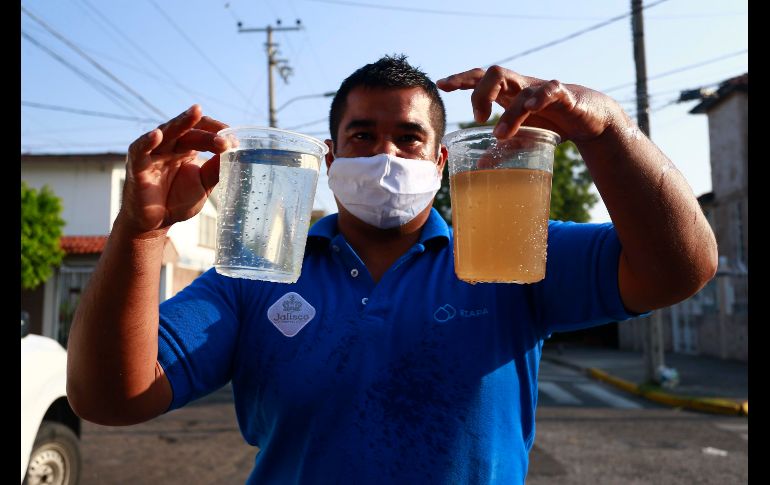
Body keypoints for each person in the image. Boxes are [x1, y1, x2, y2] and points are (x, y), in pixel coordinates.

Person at [67, 55, 717, 484]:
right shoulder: (258, 271)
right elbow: (109, 398)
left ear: (441, 163)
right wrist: (140, 230)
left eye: (408, 138)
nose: (385, 153)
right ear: (328, 157)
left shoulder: (511, 253)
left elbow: (681, 268)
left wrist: (607, 131)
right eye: (362, 135)